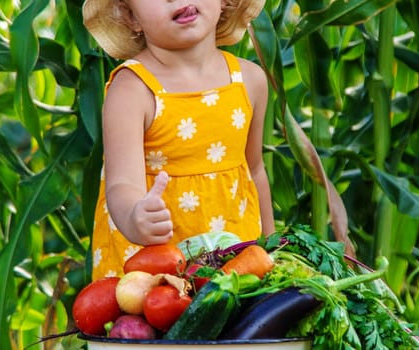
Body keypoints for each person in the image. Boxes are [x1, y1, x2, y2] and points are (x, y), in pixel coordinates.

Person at [82, 0, 275, 279]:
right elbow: (122, 184)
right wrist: (135, 219)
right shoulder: (133, 89)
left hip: (237, 255)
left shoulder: (250, 81)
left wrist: (270, 248)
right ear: (131, 16)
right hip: (153, 269)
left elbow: (254, 169)